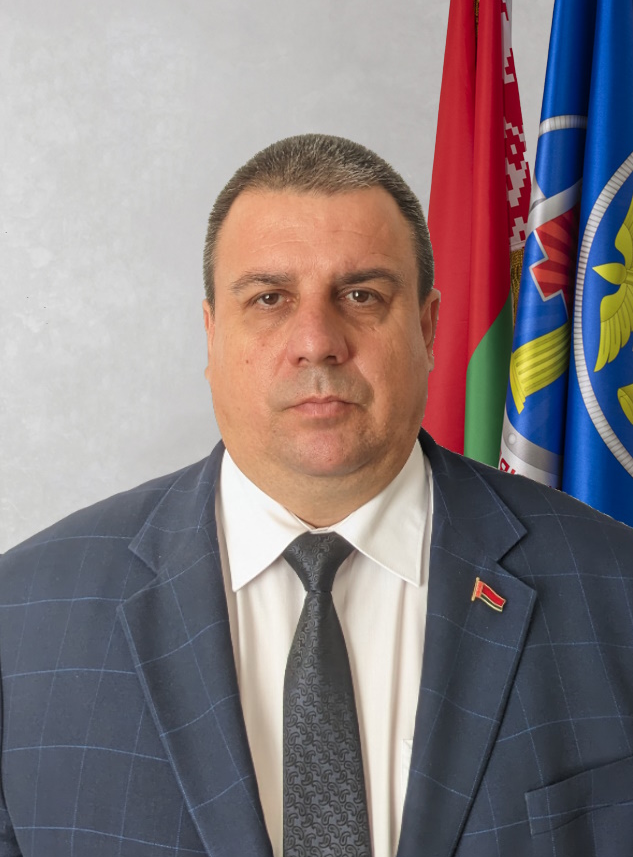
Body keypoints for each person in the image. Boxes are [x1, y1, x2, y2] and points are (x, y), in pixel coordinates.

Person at [1, 134, 633, 857]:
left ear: (426, 327)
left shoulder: (615, 590)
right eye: (269, 298)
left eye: (361, 295)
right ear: (211, 333)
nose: (316, 341)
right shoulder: (22, 620)